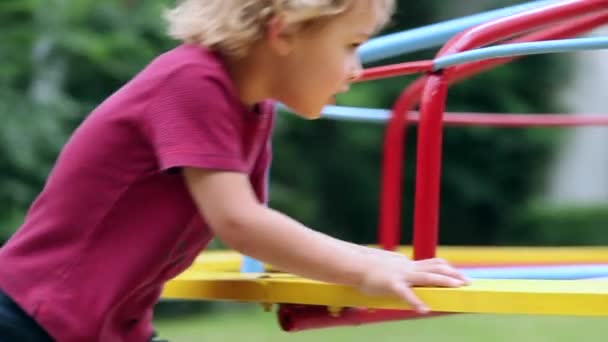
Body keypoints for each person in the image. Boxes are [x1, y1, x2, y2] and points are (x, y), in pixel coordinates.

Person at [0, 0, 469, 341]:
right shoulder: (191, 82)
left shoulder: (252, 109)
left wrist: (373, 260)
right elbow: (242, 225)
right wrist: (363, 270)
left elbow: (261, 228)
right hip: (32, 318)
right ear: (282, 30)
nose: (356, 70)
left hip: (103, 328)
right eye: (351, 45)